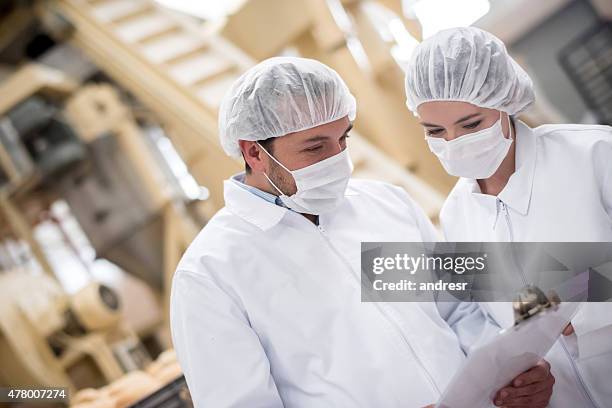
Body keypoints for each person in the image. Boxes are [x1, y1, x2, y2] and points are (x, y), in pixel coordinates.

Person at [170, 56, 553, 407]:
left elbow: (458, 310)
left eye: (343, 138)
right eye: (315, 147)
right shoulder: (211, 273)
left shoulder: (385, 205)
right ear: (254, 153)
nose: (337, 160)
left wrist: (508, 378)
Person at [405, 26, 612, 408]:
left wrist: (588, 313)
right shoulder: (456, 214)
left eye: (470, 125)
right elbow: (489, 321)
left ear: (504, 101)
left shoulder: (595, 155)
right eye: (435, 131)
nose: (454, 143)